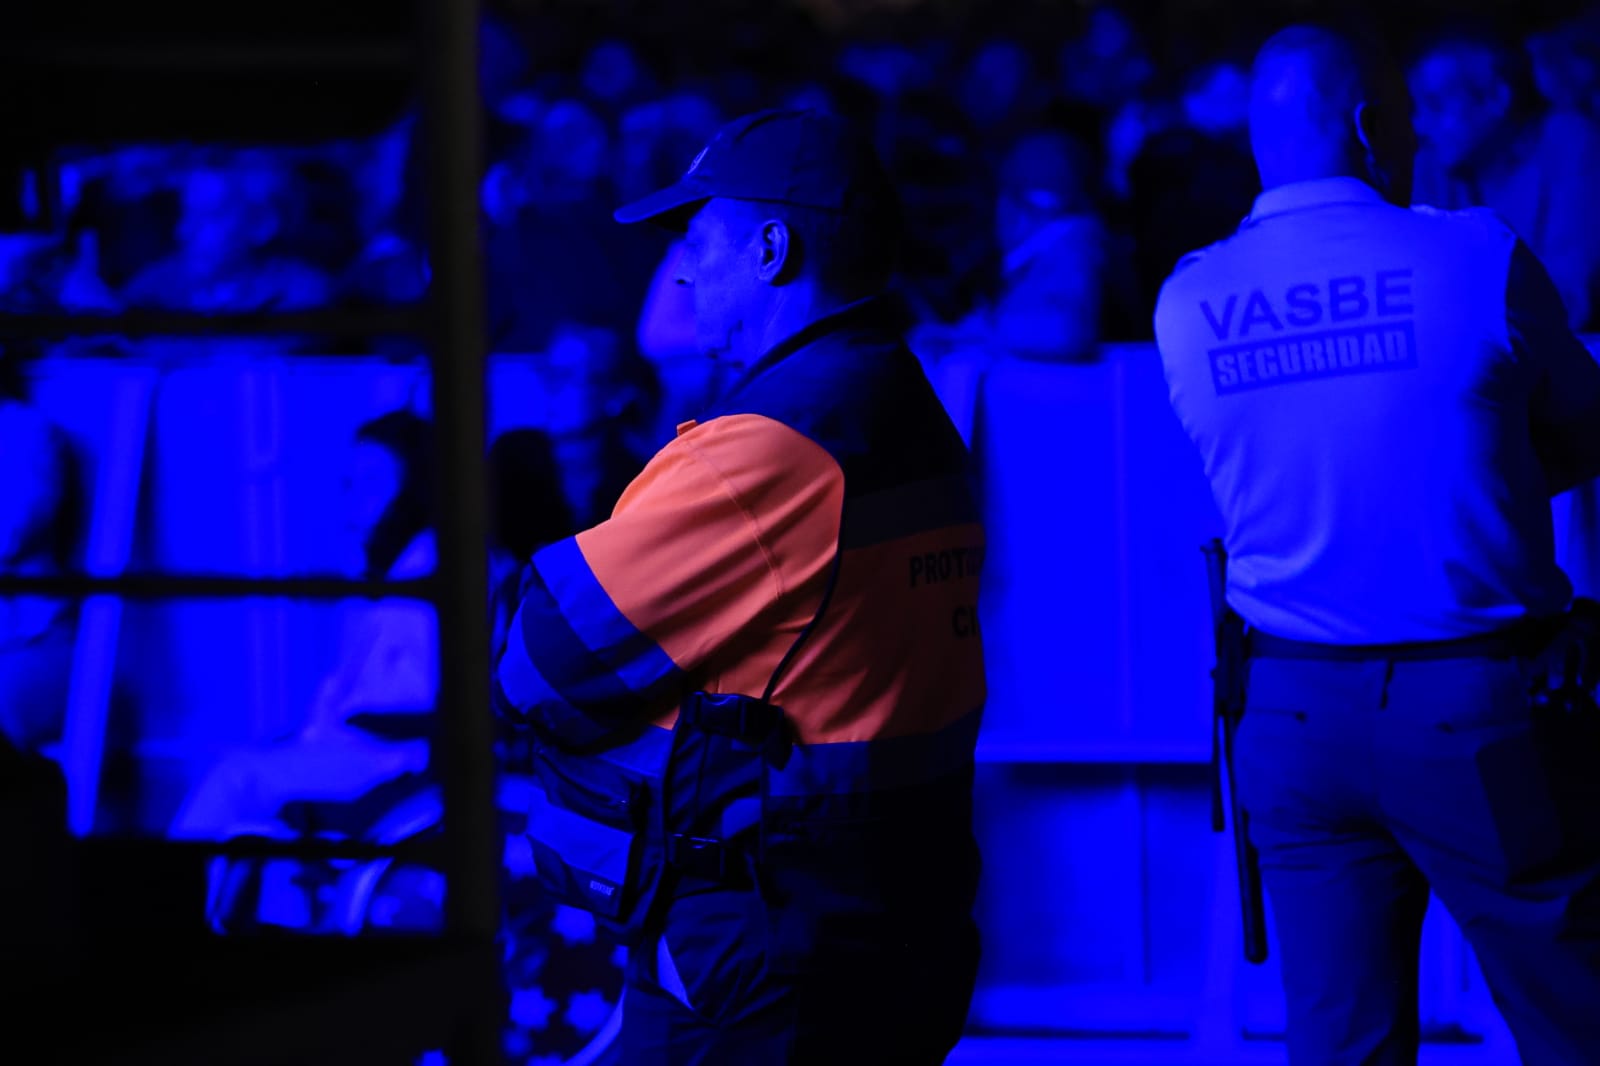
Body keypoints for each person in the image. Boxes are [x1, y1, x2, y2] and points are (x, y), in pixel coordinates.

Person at [493, 109, 987, 1064]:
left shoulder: (769, 444)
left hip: (764, 946)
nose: (678, 269)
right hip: (893, 912)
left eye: (694, 235)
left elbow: (537, 663)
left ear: (771, 247)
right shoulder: (905, 404)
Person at [1154, 24, 1600, 1065]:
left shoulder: (1189, 298)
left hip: (1288, 712)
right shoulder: (1474, 252)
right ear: (1369, 126)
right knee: (1576, 1019)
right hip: (1479, 708)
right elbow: (1585, 431)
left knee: (1340, 1044)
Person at [170, 410, 438, 928]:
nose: (354, 500)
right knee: (247, 777)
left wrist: (324, 734)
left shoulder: (427, 573)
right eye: (349, 483)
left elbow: (404, 702)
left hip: (392, 759)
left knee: (237, 778)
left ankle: (164, 914)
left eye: (373, 483)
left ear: (415, 486)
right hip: (358, 744)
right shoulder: (387, 573)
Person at [1408, 28, 1600, 330]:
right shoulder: (1432, 168)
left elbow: (1572, 301)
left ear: (1497, 97)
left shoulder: (1572, 142)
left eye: (1435, 105)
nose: (1419, 126)